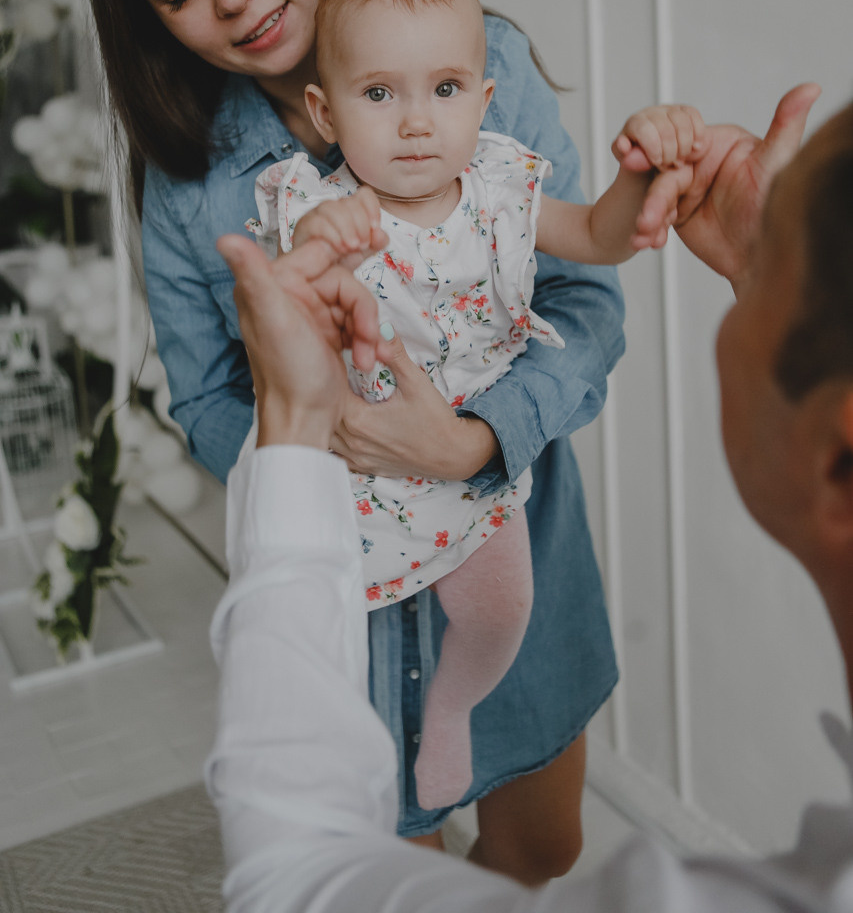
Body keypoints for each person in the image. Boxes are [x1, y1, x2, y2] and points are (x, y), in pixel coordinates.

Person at [72, 0, 627, 878]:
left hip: (514, 536)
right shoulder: (190, 182)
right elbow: (204, 400)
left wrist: (470, 441)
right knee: (383, 867)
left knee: (541, 848)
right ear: (150, 19)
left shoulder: (480, 56)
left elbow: (585, 300)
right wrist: (329, 456)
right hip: (346, 584)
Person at [206, 81, 853, 911]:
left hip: (467, 495)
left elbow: (291, 882)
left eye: (759, 286)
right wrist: (764, 257)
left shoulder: (496, 184)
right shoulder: (316, 200)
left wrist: (293, 418)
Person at [246, 0, 703, 809]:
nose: (416, 122)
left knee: (501, 609)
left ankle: (452, 709)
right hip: (361, 472)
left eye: (445, 89)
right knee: (326, 631)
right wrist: (314, 247)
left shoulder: (498, 190)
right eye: (379, 94)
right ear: (325, 112)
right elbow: (291, 304)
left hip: (471, 457)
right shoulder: (323, 209)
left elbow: (596, 238)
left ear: (484, 101)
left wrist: (637, 177)